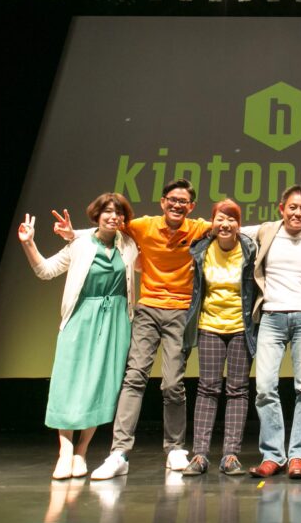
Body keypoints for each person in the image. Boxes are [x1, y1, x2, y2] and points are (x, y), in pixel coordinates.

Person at [53, 178, 212, 479]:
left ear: (191, 206)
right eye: (172, 200)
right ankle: (119, 453)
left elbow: (235, 227)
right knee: (134, 377)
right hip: (148, 309)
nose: (177, 205)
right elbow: (106, 228)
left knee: (172, 383)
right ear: (163, 202)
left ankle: (175, 448)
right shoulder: (142, 226)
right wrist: (74, 235)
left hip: (181, 312)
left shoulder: (198, 228)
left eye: (183, 201)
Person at [17, 193, 139, 479]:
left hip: (116, 322)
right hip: (81, 318)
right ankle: (65, 450)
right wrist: (29, 243)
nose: (113, 217)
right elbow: (44, 271)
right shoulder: (80, 244)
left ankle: (81, 452)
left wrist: (74, 232)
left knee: (100, 385)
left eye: (119, 213)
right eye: (107, 212)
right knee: (69, 382)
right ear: (96, 214)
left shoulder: (129, 244)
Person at [242, 185, 301, 479]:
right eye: (292, 207)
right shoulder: (266, 230)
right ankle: (273, 455)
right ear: (281, 208)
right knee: (265, 387)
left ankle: (299, 456)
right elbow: (226, 226)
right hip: (272, 316)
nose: (297, 213)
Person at [180, 199, 258, 476]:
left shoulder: (250, 248)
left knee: (238, 390)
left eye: (231, 219)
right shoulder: (201, 248)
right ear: (212, 222)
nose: (225, 224)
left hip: (240, 327)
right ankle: (200, 455)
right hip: (209, 325)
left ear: (239, 224)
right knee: (207, 388)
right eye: (220, 219)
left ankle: (230, 456)